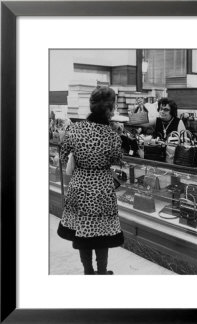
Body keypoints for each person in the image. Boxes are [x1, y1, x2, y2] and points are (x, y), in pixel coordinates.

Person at [57, 86, 124, 275]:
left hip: (79, 184)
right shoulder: (112, 135)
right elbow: (117, 160)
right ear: (110, 109)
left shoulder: (74, 128)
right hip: (102, 185)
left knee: (83, 230)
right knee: (101, 233)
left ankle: (88, 271)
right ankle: (101, 273)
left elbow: (62, 156)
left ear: (91, 105)